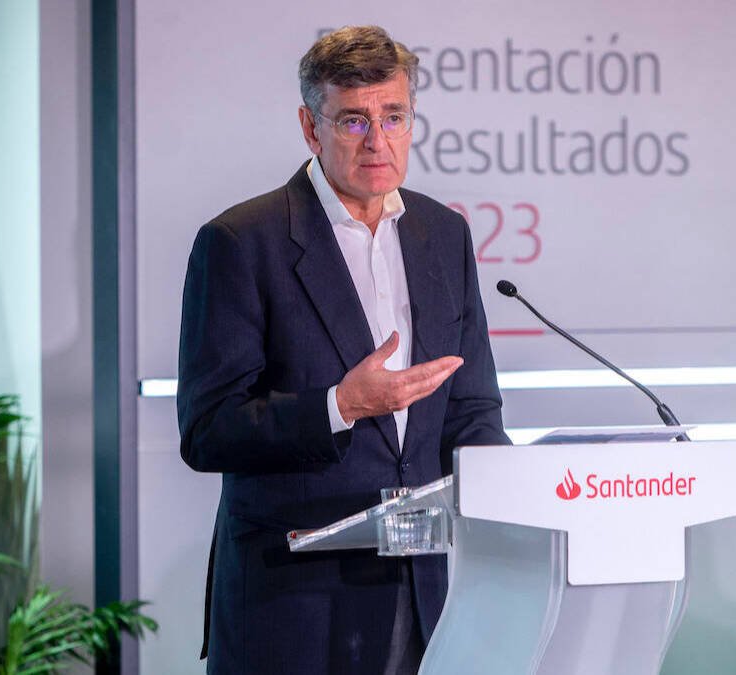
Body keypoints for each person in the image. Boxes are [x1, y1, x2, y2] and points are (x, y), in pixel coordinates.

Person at [178, 25, 510, 675]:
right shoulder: (242, 241)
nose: (378, 140)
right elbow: (208, 429)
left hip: (425, 601)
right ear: (311, 127)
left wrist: (521, 491)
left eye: (394, 116)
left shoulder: (443, 234)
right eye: (354, 121)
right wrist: (338, 405)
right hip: (294, 610)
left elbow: (470, 409)